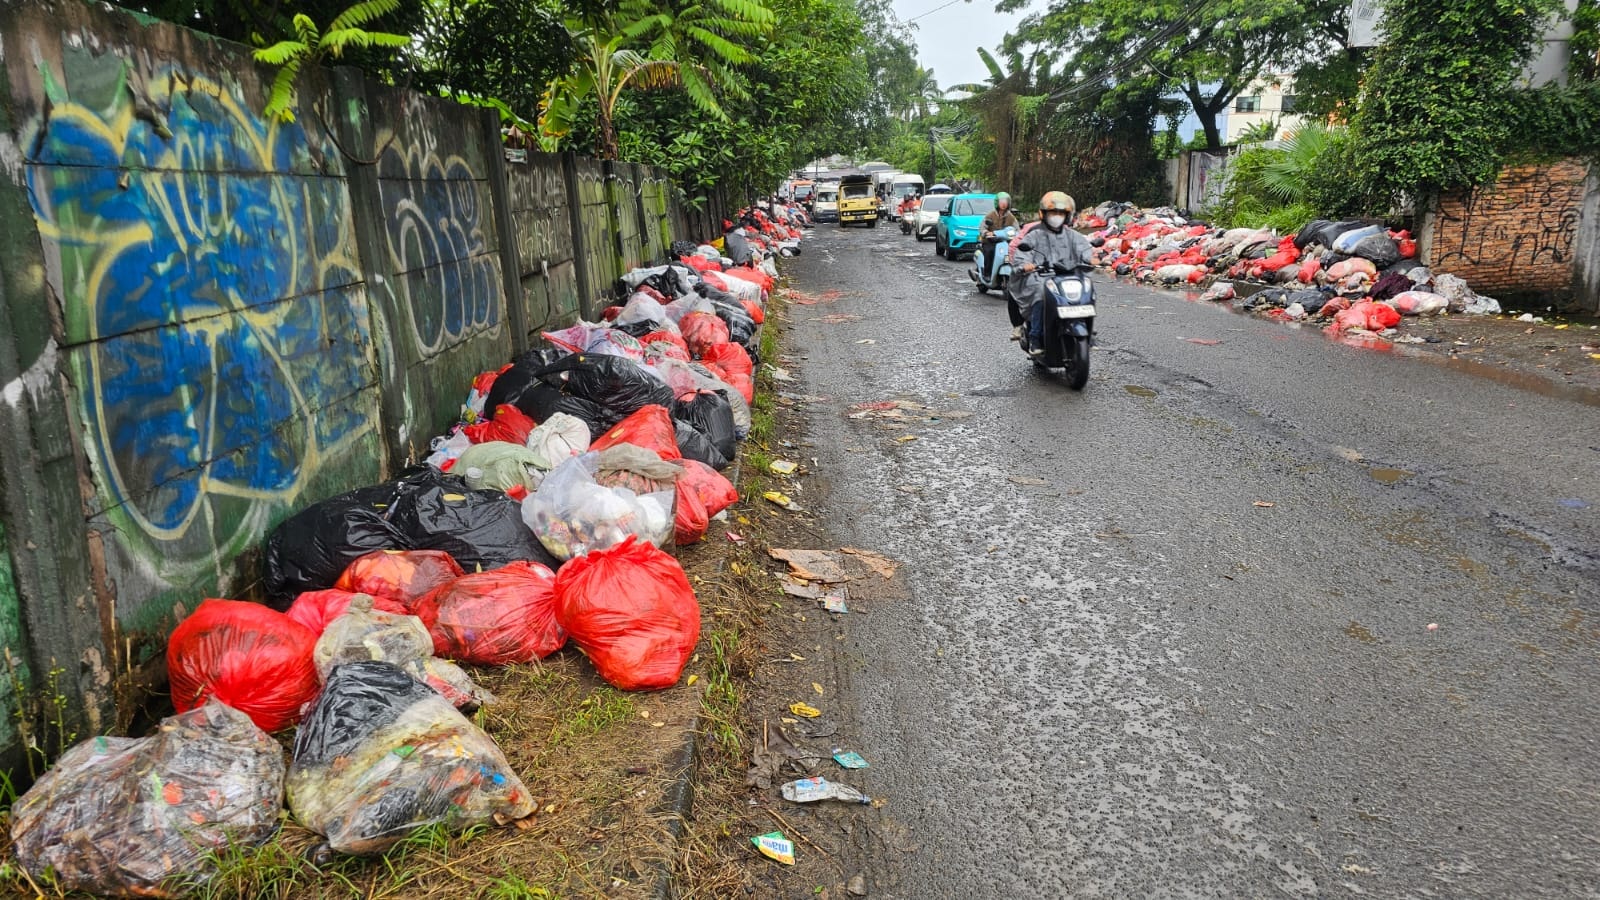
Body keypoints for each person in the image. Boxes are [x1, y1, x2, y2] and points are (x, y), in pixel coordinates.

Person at [1009, 191, 1094, 347]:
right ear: (1044, 214)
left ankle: (1088, 330)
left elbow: (1084, 249)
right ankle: (1035, 337)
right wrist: (1025, 265)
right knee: (1040, 296)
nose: (1056, 216)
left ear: (1067, 215)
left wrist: (1092, 258)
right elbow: (1022, 254)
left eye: (1060, 213)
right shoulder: (1034, 234)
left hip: (1066, 275)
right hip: (1041, 276)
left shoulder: (1073, 235)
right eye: (1053, 212)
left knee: (1087, 291)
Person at [979, 192, 1019, 280]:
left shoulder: (1011, 217)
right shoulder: (990, 215)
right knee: (990, 252)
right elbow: (982, 227)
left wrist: (1018, 235)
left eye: (1006, 201)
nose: (1004, 204)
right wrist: (986, 233)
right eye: (1001, 201)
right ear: (997, 202)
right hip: (990, 241)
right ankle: (987, 273)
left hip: (1005, 241)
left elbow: (1017, 229)